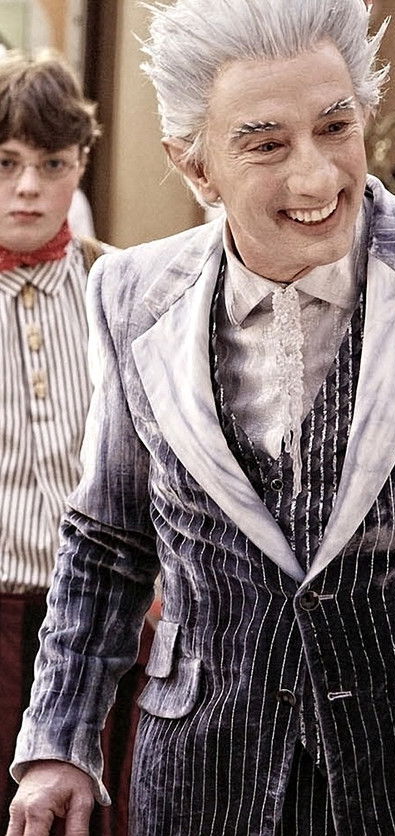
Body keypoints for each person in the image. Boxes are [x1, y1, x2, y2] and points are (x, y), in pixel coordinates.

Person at [7, 0, 395, 836]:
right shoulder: (129, 292)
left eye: (334, 127)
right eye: (265, 144)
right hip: (198, 786)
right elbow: (108, 538)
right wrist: (60, 738)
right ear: (194, 165)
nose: (317, 177)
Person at [0, 50, 148, 836]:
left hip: (95, 621)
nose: (28, 187)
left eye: (51, 163)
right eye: (5, 163)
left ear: (80, 165)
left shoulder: (120, 287)